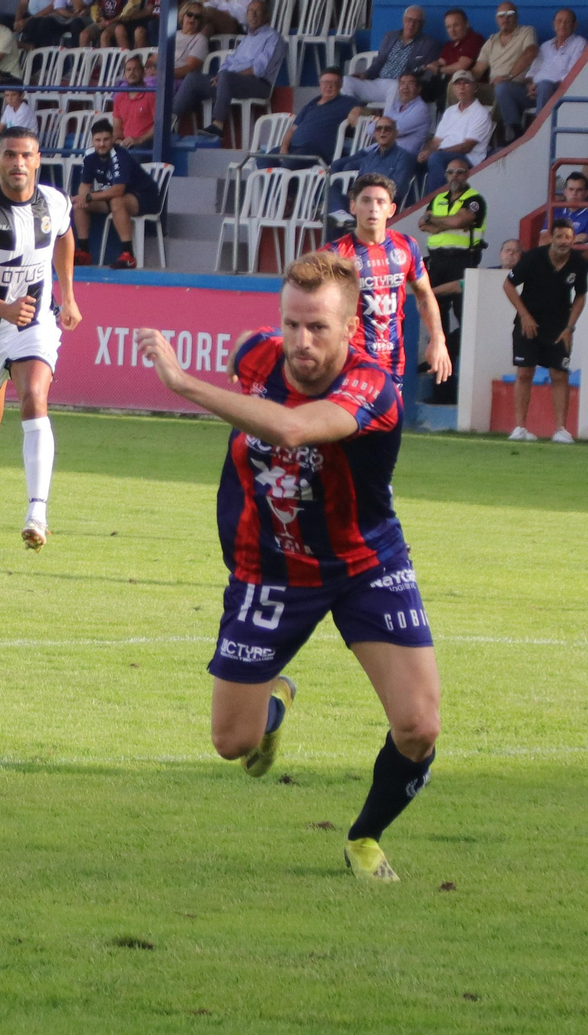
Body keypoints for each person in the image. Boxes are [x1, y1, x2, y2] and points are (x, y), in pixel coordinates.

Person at [138, 250, 441, 885]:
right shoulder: (257, 353)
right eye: (292, 324)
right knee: (233, 744)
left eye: (318, 328)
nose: (300, 342)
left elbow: (293, 430)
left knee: (417, 727)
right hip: (270, 568)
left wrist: (184, 384)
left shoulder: (372, 387)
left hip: (364, 562)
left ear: (351, 329)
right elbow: (253, 368)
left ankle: (363, 838)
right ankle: (274, 702)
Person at [0, 127, 80, 551]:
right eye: (10, 155)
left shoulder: (56, 202)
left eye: (26, 156)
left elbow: (64, 237)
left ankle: (36, 513)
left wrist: (69, 296)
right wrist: (1, 308)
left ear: (38, 159)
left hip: (34, 323)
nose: (18, 164)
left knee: (34, 399)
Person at [325, 174, 451, 385]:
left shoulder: (406, 247)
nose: (373, 208)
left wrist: (438, 338)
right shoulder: (335, 254)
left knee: (390, 419)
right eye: (366, 201)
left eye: (380, 202)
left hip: (392, 362)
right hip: (349, 361)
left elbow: (424, 294)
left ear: (391, 210)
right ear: (353, 207)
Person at [503, 220, 585, 443]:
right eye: (559, 237)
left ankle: (561, 429)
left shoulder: (578, 262)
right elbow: (508, 285)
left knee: (559, 374)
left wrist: (570, 327)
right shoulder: (533, 258)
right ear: (551, 238)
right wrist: (525, 316)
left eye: (568, 237)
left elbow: (580, 295)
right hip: (529, 324)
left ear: (572, 238)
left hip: (558, 327)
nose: (563, 242)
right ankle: (520, 428)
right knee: (524, 372)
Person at [173, 0, 282, 140]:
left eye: (258, 12)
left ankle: (217, 125)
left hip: (258, 84)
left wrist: (228, 75)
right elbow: (230, 60)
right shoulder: (248, 38)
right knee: (193, 79)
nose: (253, 15)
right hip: (231, 82)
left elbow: (260, 68)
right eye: (250, 12)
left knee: (226, 76)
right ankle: (170, 120)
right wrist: (219, 74)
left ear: (266, 16)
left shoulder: (272, 38)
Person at [72, 118, 160, 270]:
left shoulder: (120, 155)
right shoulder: (90, 156)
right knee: (79, 205)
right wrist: (83, 198)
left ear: (113, 139)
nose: (102, 144)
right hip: (117, 196)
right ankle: (84, 252)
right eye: (98, 140)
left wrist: (89, 196)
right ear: (92, 140)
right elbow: (85, 185)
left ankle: (128, 255)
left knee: (116, 201)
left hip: (145, 197)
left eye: (106, 139)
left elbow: (118, 190)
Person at [418, 157, 486, 343]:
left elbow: (458, 221)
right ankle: (441, 365)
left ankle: (458, 362)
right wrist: (448, 223)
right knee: (435, 313)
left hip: (463, 260)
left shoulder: (474, 199)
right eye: (450, 172)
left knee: (463, 314)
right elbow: (422, 224)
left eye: (459, 172)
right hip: (438, 261)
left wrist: (437, 222)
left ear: (468, 173)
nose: (454, 176)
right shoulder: (438, 198)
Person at [497, 8, 583, 144]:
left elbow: (572, 74)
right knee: (503, 88)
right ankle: (514, 130)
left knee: (544, 85)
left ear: (575, 25)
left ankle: (539, 133)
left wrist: (544, 85)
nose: (562, 25)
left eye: (567, 22)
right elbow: (532, 72)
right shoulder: (545, 46)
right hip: (535, 91)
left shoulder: (579, 44)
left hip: (557, 92)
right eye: (559, 21)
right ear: (553, 24)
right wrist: (529, 84)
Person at [341, 5, 440, 106]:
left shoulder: (429, 44)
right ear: (403, 20)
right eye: (409, 20)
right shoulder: (390, 36)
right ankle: (352, 116)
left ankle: (387, 121)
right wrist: (366, 74)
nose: (412, 24)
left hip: (399, 85)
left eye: (416, 21)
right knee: (346, 81)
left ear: (422, 25)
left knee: (395, 86)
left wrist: (408, 81)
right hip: (377, 82)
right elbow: (379, 61)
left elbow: (427, 71)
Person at [327, 117, 418, 220]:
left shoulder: (404, 157)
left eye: (387, 129)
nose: (382, 132)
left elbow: (398, 191)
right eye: (379, 129)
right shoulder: (369, 158)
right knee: (330, 191)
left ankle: (344, 217)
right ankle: (341, 215)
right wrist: (354, 195)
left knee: (337, 217)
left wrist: (370, 195)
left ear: (395, 133)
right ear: (375, 134)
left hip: (381, 205)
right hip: (361, 203)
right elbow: (357, 185)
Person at [420, 71, 493, 185]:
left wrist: (437, 152)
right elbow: (436, 141)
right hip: (442, 154)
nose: (462, 87)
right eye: (458, 84)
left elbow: (466, 147)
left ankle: (436, 199)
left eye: (466, 83)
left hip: (468, 158)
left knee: (435, 158)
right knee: (411, 160)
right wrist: (426, 151)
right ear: (453, 88)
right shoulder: (450, 111)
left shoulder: (481, 113)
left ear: (475, 87)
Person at [276, 67, 357, 163]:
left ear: (340, 85)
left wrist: (358, 110)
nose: (328, 86)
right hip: (293, 147)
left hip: (316, 151)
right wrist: (284, 148)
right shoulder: (312, 104)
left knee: (289, 163)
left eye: (333, 83)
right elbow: (292, 129)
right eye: (325, 82)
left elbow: (369, 111)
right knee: (264, 160)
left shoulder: (347, 102)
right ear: (320, 84)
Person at [345, 72, 430, 161]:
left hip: (396, 157)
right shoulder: (395, 106)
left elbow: (396, 130)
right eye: (402, 83)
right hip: (376, 151)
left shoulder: (421, 109)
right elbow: (370, 130)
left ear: (418, 89)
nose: (405, 87)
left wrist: (379, 123)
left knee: (348, 166)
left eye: (411, 83)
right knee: (337, 165)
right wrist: (381, 124)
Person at [473, 2, 538, 108]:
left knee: (502, 89)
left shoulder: (526, 32)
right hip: (492, 88)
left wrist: (509, 76)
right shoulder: (491, 41)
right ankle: (454, 122)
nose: (505, 18)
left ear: (516, 17)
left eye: (510, 14)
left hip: (516, 87)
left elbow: (531, 52)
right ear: (496, 19)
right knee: (455, 87)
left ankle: (498, 124)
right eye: (501, 15)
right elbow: (477, 70)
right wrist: (463, 78)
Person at [423, 7, 484, 99]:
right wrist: (430, 66)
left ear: (466, 24)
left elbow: (462, 66)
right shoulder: (449, 45)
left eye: (456, 25)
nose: (452, 30)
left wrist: (439, 70)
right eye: (448, 27)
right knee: (418, 87)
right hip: (447, 85)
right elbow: (440, 62)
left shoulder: (474, 39)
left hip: (468, 88)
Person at [112, 55, 155, 157]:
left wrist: (139, 139)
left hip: (146, 143)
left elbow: (159, 125)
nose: (131, 73)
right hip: (126, 143)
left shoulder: (151, 95)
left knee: (132, 157)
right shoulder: (120, 98)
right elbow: (117, 127)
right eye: (128, 70)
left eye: (135, 69)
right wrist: (118, 140)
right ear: (124, 75)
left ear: (143, 73)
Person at [16, 0, 90, 49]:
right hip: (65, 17)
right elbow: (58, 8)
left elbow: (80, 7)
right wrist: (17, 20)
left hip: (84, 18)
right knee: (43, 23)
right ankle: (39, 59)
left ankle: (76, 61)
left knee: (76, 23)